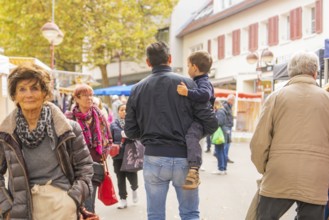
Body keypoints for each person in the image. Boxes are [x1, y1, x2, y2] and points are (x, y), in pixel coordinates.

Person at [124, 41, 218, 220]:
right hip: (185, 158)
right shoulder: (189, 84)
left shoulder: (137, 89)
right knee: (190, 214)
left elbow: (130, 130)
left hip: (154, 157)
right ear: (169, 59)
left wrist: (147, 136)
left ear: (148, 62)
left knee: (155, 215)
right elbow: (210, 122)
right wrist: (193, 136)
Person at [0, 63, 93, 220]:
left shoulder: (68, 129)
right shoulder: (6, 133)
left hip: (61, 205)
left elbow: (85, 168)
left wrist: (72, 199)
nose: (29, 94)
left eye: (35, 88)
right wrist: (7, 207)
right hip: (22, 208)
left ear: (45, 93)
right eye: (22, 89)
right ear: (14, 96)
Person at [250, 51, 329, 219]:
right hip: (316, 176)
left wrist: (264, 168)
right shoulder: (327, 99)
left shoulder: (276, 97)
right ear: (315, 72)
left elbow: (259, 142)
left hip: (279, 171)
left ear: (290, 72)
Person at [65, 84, 112, 213]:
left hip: (95, 165)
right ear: (77, 98)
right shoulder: (69, 118)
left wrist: (104, 152)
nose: (89, 98)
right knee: (76, 203)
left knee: (89, 203)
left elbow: (109, 139)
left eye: (91, 95)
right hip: (76, 166)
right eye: (85, 95)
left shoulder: (99, 115)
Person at [176, 50, 215, 189]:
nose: (187, 69)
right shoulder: (197, 81)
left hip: (202, 121)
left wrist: (187, 92)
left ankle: (194, 170)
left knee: (191, 136)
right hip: (199, 119)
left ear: (195, 67)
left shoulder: (204, 82)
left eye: (188, 65)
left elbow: (204, 95)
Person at [110, 104, 139, 209]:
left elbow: (139, 136)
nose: (124, 112)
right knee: (120, 177)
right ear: (118, 112)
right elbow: (110, 139)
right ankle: (123, 199)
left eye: (126, 110)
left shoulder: (133, 124)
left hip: (130, 153)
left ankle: (134, 188)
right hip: (118, 155)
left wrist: (129, 135)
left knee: (132, 175)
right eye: (122, 110)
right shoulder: (113, 125)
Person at [222, 94, 235, 163]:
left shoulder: (229, 106)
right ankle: (224, 157)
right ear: (230, 100)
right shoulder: (226, 106)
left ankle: (225, 157)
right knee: (226, 143)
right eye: (233, 100)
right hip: (227, 127)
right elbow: (225, 117)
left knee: (228, 143)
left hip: (228, 126)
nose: (234, 102)